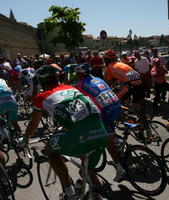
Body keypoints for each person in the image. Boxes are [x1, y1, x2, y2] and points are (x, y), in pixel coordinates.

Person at [18, 65, 108, 200]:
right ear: (57, 77)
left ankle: (69, 192)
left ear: (41, 82)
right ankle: (97, 194)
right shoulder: (72, 88)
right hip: (101, 133)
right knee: (89, 171)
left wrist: (25, 139)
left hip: (79, 136)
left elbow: (34, 124)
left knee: (50, 150)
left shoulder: (41, 96)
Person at [74, 62, 126, 182]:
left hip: (106, 112)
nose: (76, 76)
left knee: (108, 142)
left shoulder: (79, 85)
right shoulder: (98, 78)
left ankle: (120, 169)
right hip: (116, 105)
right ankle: (117, 141)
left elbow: (78, 103)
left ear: (81, 75)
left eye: (77, 74)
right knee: (110, 133)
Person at [103, 50, 143, 117]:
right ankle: (141, 121)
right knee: (136, 106)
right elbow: (123, 75)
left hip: (130, 85)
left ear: (106, 60)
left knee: (115, 99)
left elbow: (107, 83)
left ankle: (125, 117)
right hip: (139, 81)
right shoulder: (121, 64)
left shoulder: (109, 67)